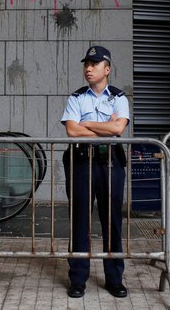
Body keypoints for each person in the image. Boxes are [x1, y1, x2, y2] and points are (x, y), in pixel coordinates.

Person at [60, 45, 130, 299]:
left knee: (111, 222)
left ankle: (114, 279)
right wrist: (105, 127)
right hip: (81, 163)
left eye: (94, 64)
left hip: (110, 164)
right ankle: (78, 279)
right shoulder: (76, 98)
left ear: (107, 69)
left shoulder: (119, 98)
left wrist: (87, 123)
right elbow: (72, 131)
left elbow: (118, 129)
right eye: (86, 64)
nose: (88, 68)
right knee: (80, 221)